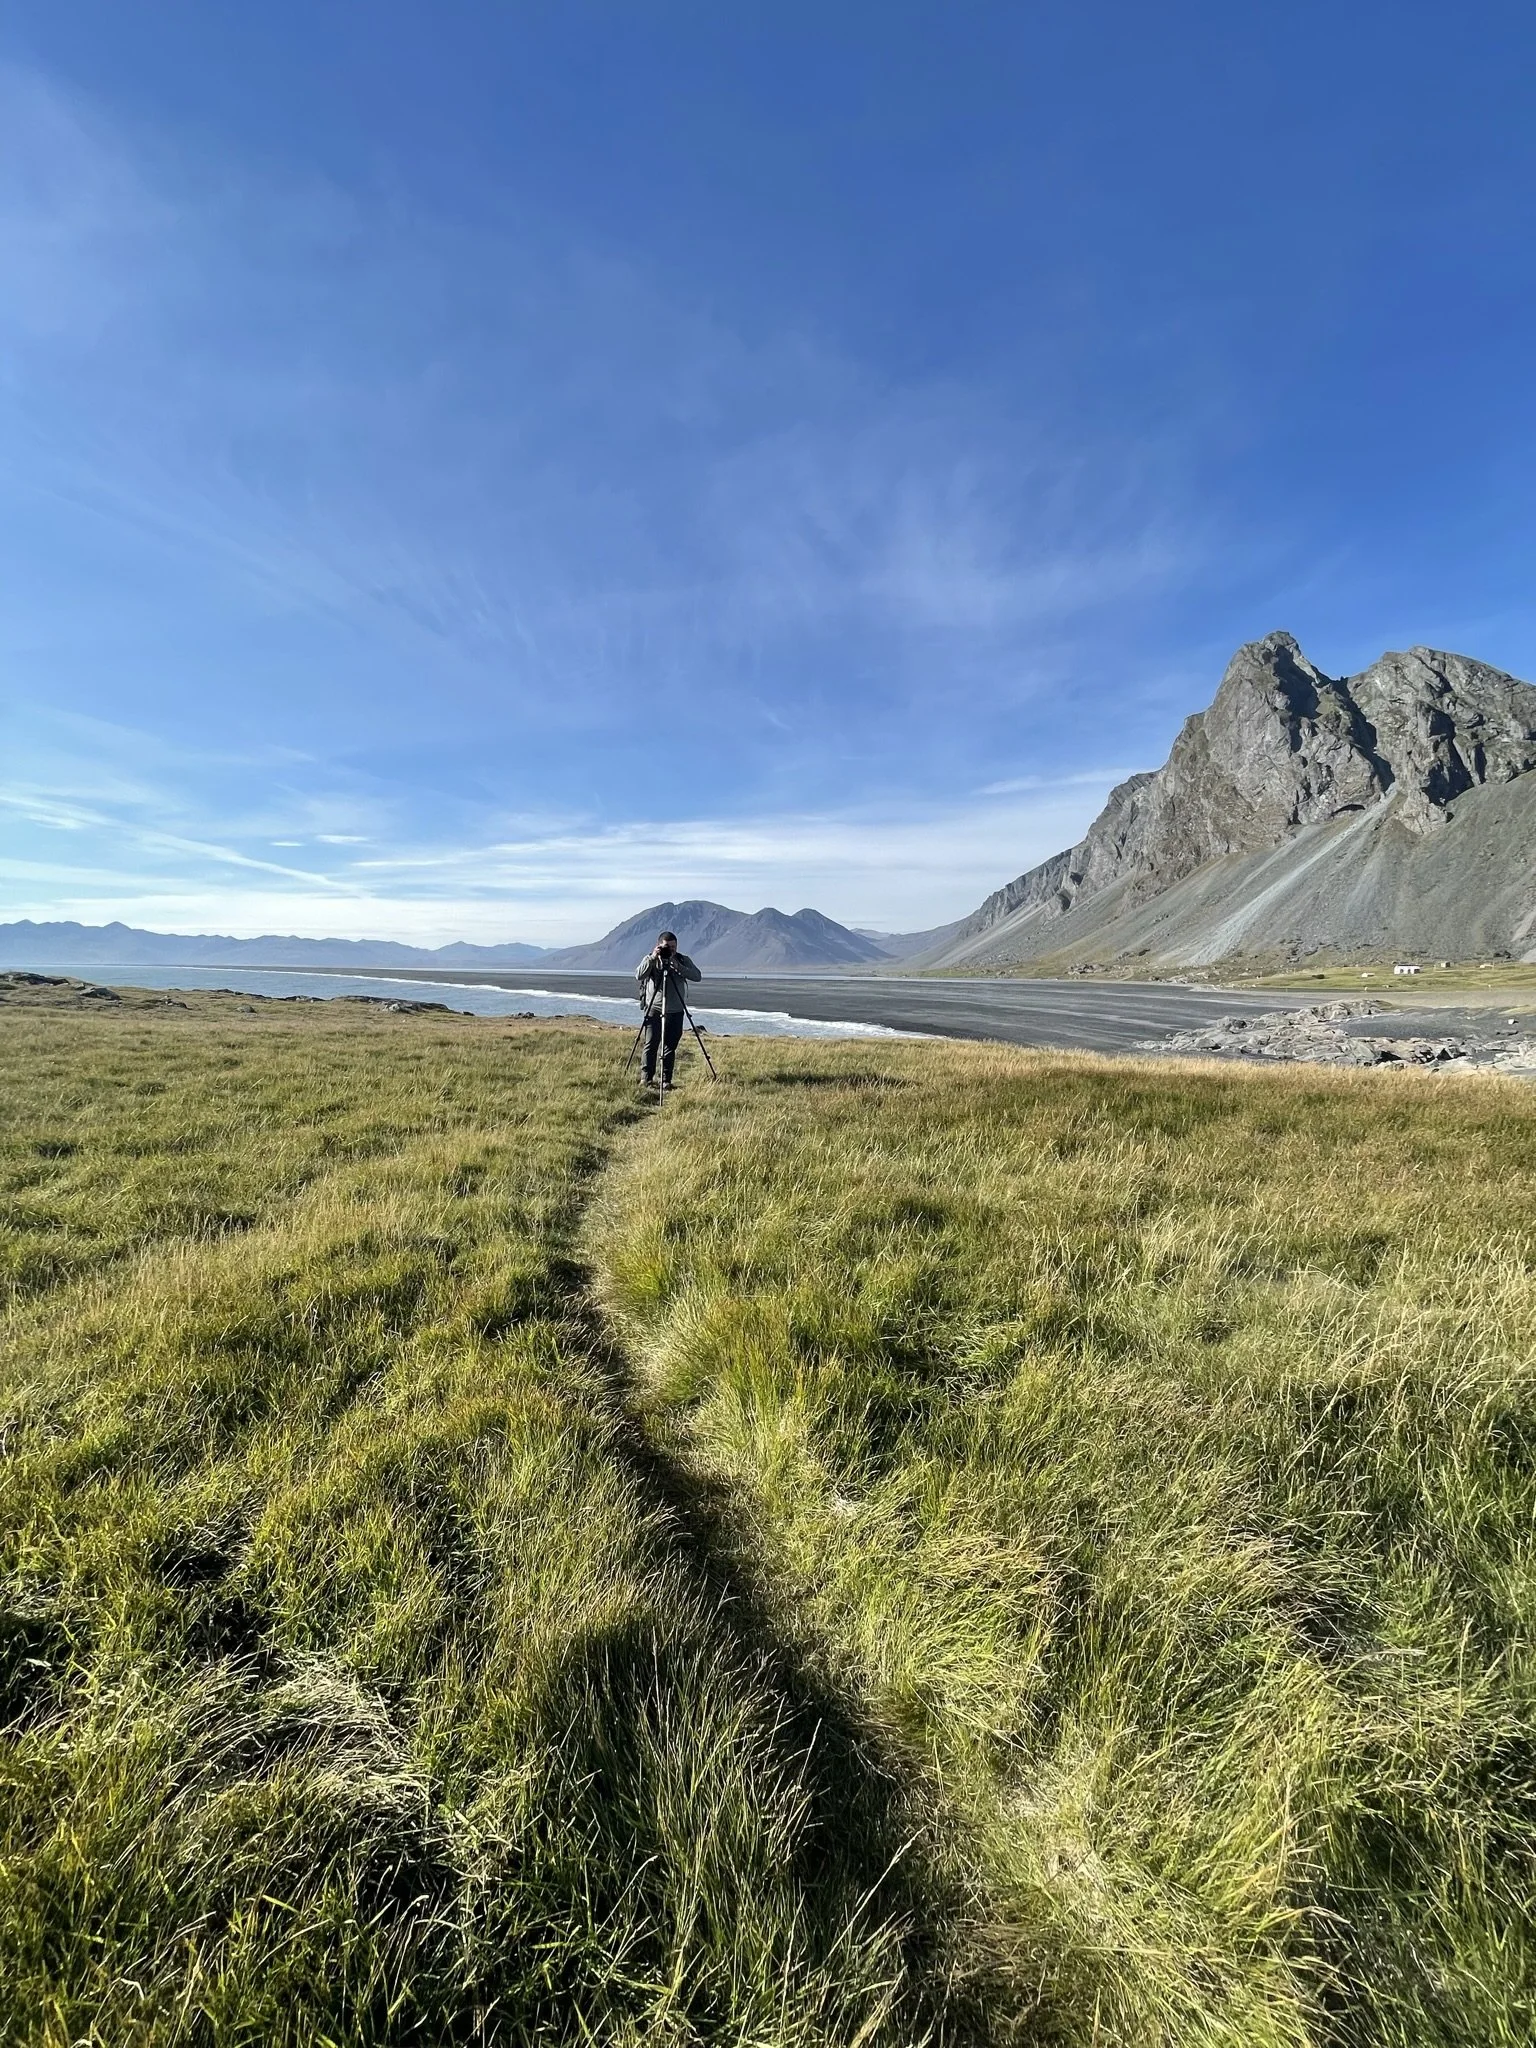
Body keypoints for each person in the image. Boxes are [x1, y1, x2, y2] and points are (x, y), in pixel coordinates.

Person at [635, 930, 701, 1087]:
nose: (670, 950)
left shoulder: (682, 960)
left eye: (673, 947)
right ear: (658, 946)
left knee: (670, 1046)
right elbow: (639, 975)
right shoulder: (650, 959)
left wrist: (679, 967)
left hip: (676, 1009)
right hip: (654, 1009)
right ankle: (646, 1078)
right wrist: (652, 958)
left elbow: (697, 976)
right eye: (666, 947)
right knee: (651, 1044)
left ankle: (666, 1080)